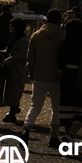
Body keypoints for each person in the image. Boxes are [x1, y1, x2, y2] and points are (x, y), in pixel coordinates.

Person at [20, 9, 64, 146]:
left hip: (39, 75)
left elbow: (30, 58)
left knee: (35, 106)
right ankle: (53, 136)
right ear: (59, 21)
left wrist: (31, 73)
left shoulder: (36, 35)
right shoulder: (62, 36)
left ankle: (26, 129)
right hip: (56, 77)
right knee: (56, 108)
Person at [0, 18, 30, 124]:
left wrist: (8, 61)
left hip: (17, 69)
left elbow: (20, 54)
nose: (10, 28)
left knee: (15, 91)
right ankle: (13, 110)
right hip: (9, 69)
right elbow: (8, 51)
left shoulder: (24, 39)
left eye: (12, 26)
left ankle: (12, 113)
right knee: (9, 91)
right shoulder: (13, 38)